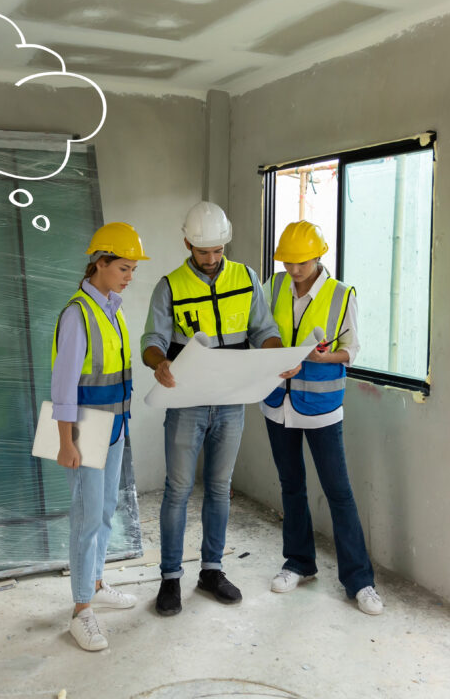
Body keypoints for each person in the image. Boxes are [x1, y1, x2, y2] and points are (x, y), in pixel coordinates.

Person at [141, 201, 285, 616]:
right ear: (187, 243)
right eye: (204, 251)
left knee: (220, 489)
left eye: (219, 250)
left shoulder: (246, 277)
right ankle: (170, 579)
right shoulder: (169, 286)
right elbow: (152, 338)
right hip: (186, 404)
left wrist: (278, 357)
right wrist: (159, 362)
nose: (212, 259)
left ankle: (211, 570)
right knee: (178, 490)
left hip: (231, 403)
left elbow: (265, 330)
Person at [260, 220, 383, 615]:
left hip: (322, 408)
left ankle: (360, 581)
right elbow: (261, 330)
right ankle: (298, 563)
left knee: (339, 492)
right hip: (278, 403)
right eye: (289, 262)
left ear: (318, 255)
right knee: (291, 485)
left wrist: (321, 357)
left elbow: (352, 349)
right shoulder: (275, 286)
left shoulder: (341, 295)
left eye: (301, 262)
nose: (294, 270)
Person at [51, 222, 149, 651]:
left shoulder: (113, 308)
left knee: (106, 508)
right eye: (124, 267)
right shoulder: (77, 313)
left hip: (114, 426)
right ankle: (81, 609)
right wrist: (66, 441)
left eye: (132, 269)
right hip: (87, 429)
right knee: (87, 517)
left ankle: (95, 582)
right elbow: (64, 384)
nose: (130, 275)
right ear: (100, 264)